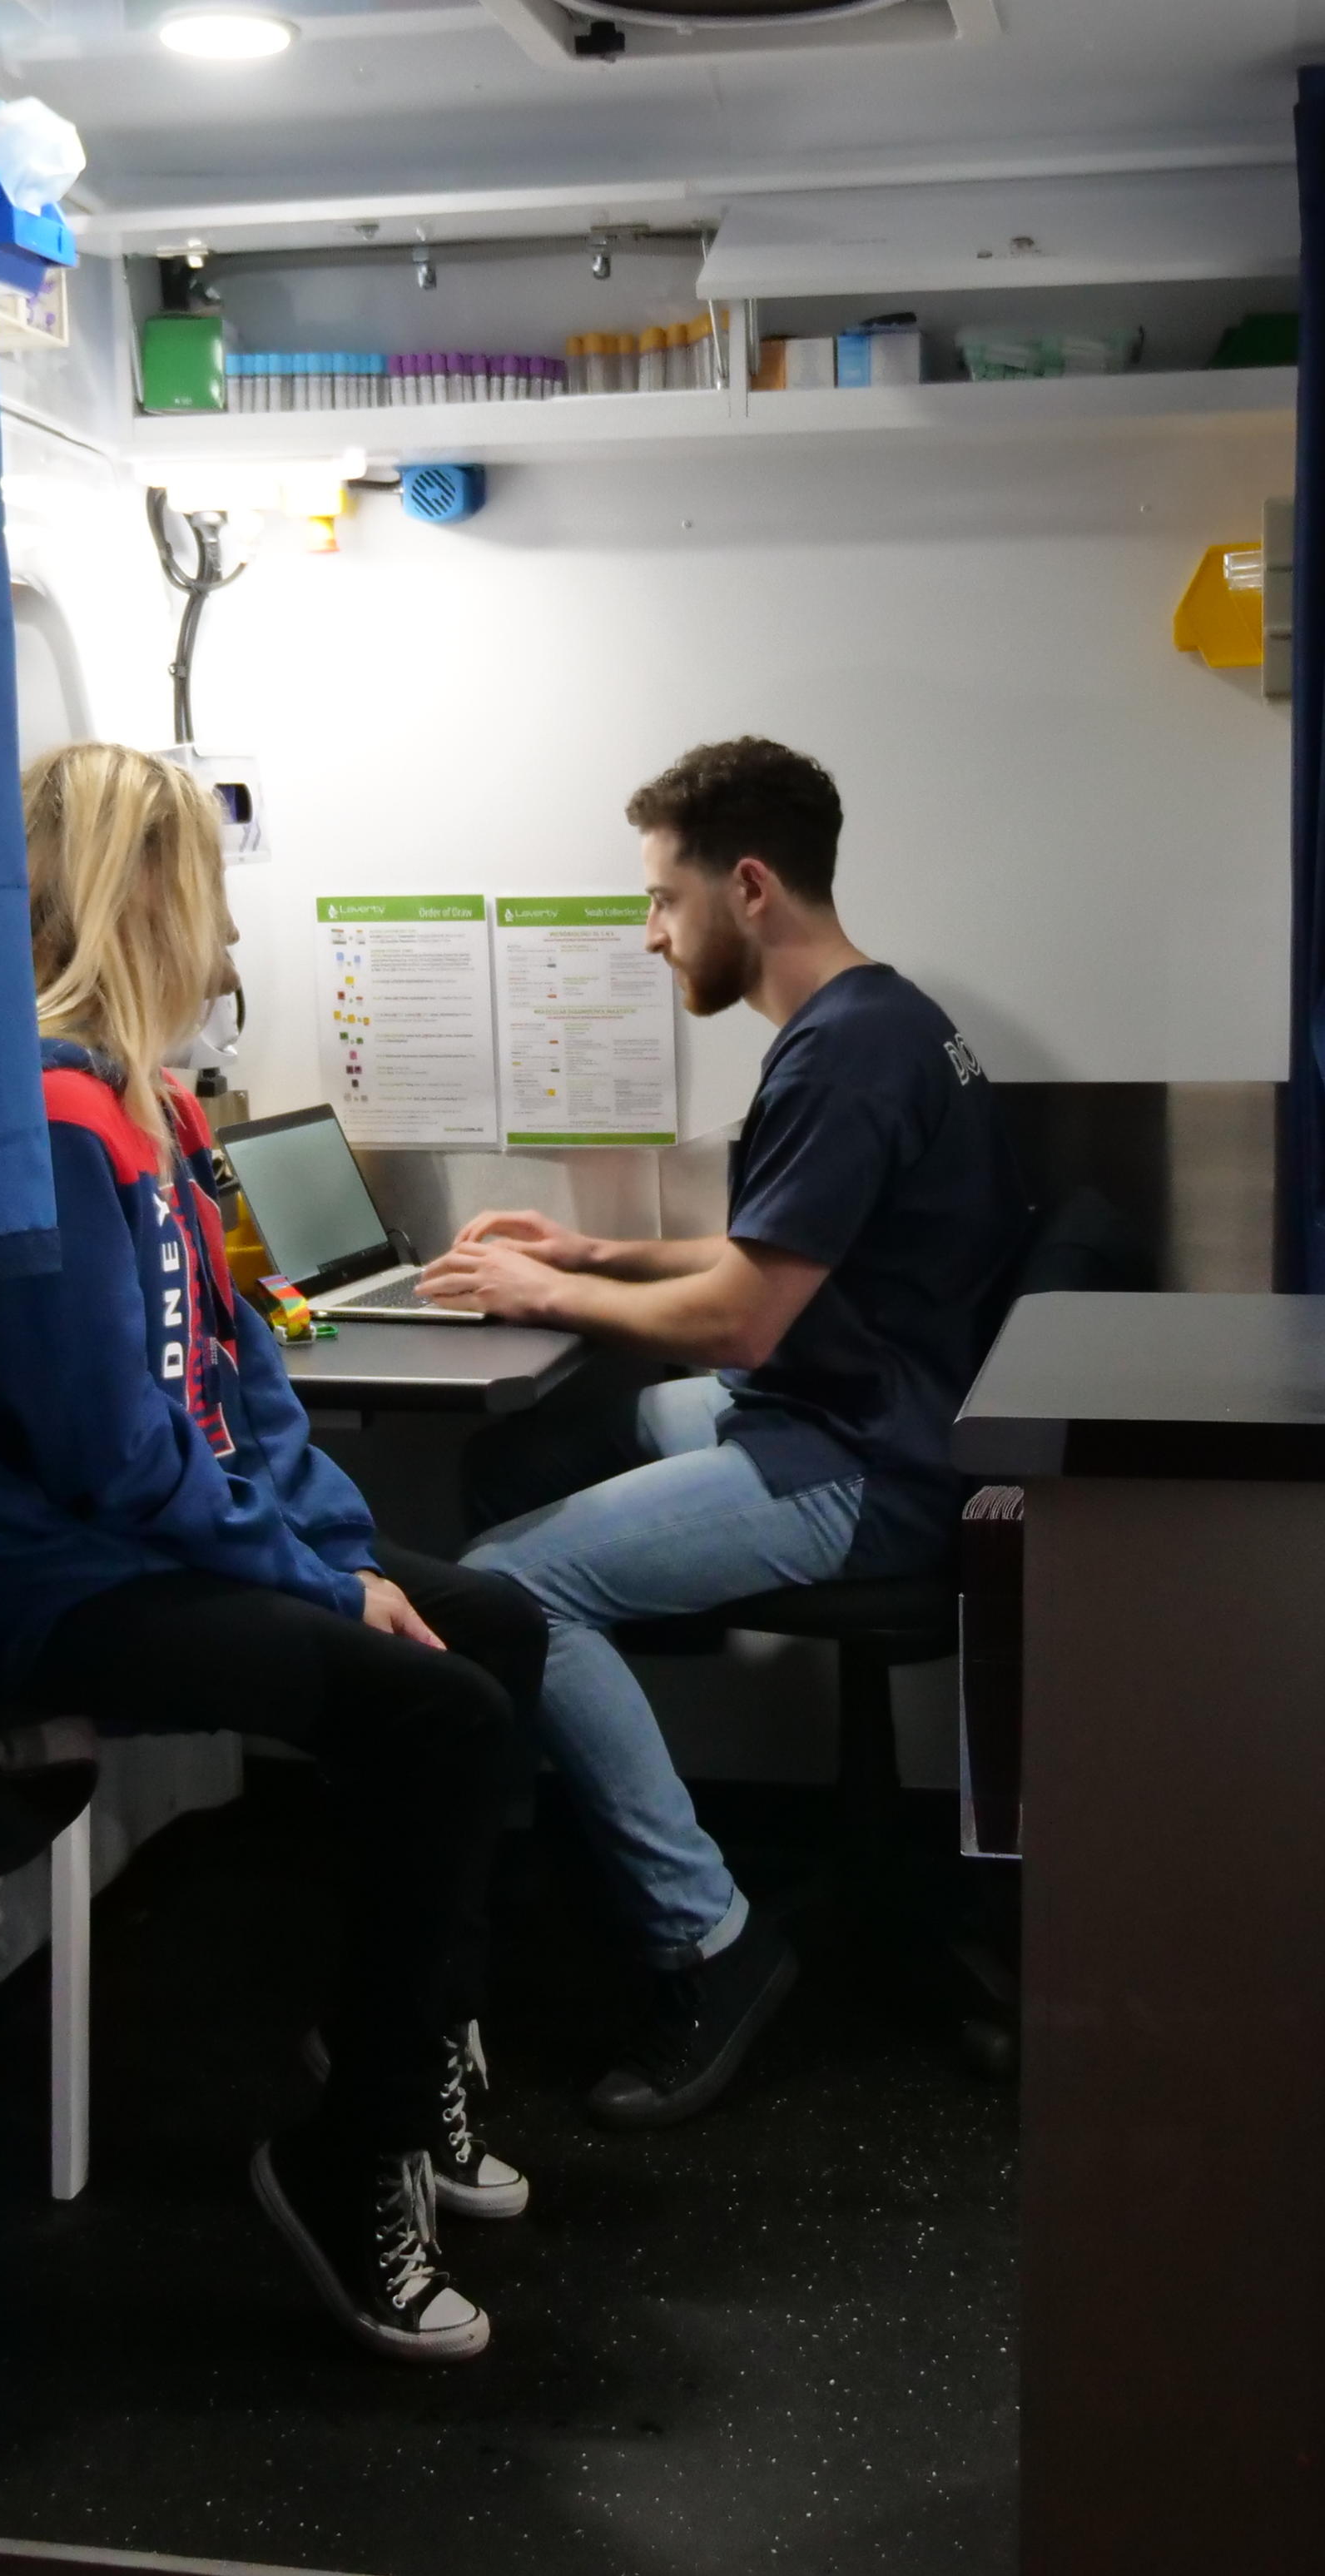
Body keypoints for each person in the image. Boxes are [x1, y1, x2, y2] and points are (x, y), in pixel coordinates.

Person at [0, 742, 546, 2363]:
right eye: (201, 907)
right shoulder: (54, 1127)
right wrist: (315, 1585)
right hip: (57, 1587)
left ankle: (405, 2042)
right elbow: (114, 1455)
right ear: (140, 898)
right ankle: (347, 2153)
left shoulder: (152, 1113)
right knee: (441, 1716)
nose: (222, 953)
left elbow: (241, 1379)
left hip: (165, 1542)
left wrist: (344, 1557)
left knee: (487, 1624)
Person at [421, 737, 1028, 2128]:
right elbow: (783, 1257)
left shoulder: (847, 1058)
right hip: (870, 1397)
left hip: (865, 1461)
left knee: (513, 1582)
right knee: (555, 1449)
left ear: (746, 887)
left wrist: (546, 1288)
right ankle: (561, 1809)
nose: (648, 935)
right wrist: (593, 1247)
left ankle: (707, 1933)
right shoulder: (876, 1018)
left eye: (659, 899)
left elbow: (749, 1323)